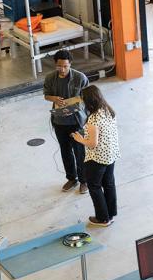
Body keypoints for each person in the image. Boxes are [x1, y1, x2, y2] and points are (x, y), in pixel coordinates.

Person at [42, 49, 88, 193]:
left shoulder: (80, 78)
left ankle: (84, 181)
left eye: (65, 66)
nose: (62, 69)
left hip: (76, 122)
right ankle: (71, 179)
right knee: (65, 151)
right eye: (59, 66)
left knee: (80, 153)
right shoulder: (50, 78)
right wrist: (53, 98)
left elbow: (88, 97)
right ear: (55, 64)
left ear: (70, 64)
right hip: (59, 122)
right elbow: (46, 95)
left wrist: (77, 104)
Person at [73, 85, 119, 226]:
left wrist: (79, 138)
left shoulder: (93, 119)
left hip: (97, 158)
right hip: (110, 154)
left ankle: (102, 218)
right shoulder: (108, 110)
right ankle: (111, 213)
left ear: (89, 101)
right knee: (109, 184)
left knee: (94, 186)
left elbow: (92, 144)